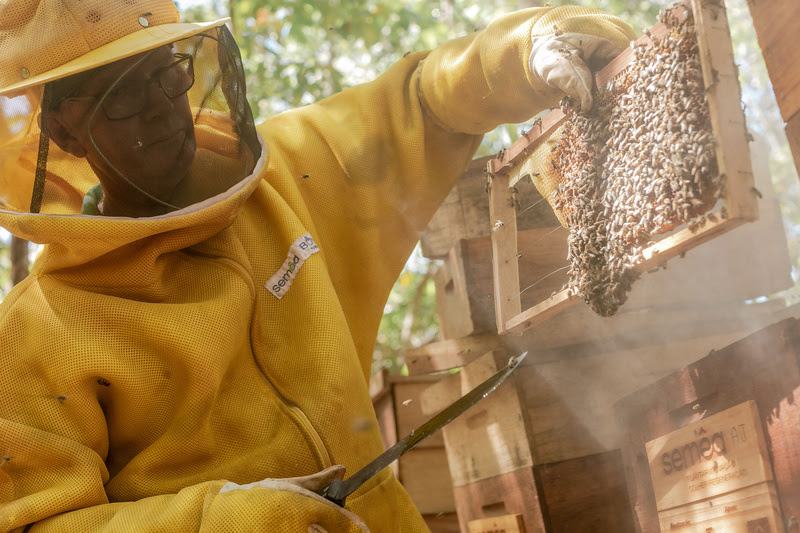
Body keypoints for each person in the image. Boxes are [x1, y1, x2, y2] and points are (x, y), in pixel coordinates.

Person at [0, 0, 634, 530]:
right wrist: (226, 521)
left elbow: (420, 103)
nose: (162, 107)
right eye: (121, 94)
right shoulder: (43, 326)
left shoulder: (288, 174)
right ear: (63, 129)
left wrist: (526, 51)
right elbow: (38, 522)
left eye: (165, 74)